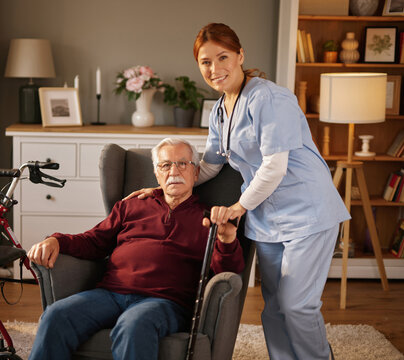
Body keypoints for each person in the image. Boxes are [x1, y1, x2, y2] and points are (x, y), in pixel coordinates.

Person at [127, 23, 350, 360]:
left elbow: (274, 165)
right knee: (274, 308)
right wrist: (164, 184)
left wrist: (238, 207)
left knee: (297, 306)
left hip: (308, 212)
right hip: (269, 219)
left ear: (240, 55)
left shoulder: (270, 99)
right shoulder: (219, 110)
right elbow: (212, 165)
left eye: (223, 57)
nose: (214, 69)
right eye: (205, 62)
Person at [26, 137, 245, 360]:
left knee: (133, 325)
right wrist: (57, 240)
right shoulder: (131, 205)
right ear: (157, 173)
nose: (174, 171)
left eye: (182, 163)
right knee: (55, 316)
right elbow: (94, 241)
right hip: (110, 293)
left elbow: (227, 271)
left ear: (196, 173)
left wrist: (227, 238)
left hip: (165, 302)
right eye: (166, 165)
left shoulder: (209, 217)